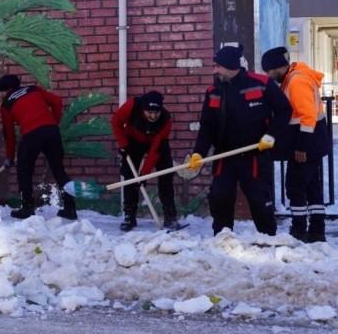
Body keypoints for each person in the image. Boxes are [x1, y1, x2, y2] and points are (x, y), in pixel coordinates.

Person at [185, 45, 290, 236]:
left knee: (259, 201)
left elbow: (284, 111)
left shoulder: (261, 84)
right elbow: (207, 127)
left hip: (255, 156)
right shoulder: (213, 91)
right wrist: (198, 153)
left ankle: (269, 239)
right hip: (225, 157)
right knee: (219, 198)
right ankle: (223, 237)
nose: (214, 70)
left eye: (218, 66)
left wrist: (272, 135)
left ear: (230, 66)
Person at [261, 46, 329, 243]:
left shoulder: (297, 81)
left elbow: (306, 116)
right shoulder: (295, 78)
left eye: (269, 71)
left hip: (306, 143)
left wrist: (301, 147)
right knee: (312, 187)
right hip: (313, 141)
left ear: (277, 67)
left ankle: (299, 229)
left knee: (296, 186)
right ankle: (317, 229)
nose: (268, 75)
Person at [0, 74, 76, 220]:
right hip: (51, 132)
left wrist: (9, 156)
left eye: (1, 92)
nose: (1, 95)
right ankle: (70, 209)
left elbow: (9, 134)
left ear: (6, 90)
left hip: (31, 134)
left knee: (24, 171)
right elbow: (57, 101)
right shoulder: (33, 89)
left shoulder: (6, 104)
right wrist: (53, 123)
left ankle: (27, 208)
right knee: (59, 170)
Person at [111, 91, 185, 231]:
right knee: (129, 176)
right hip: (133, 141)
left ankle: (170, 217)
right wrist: (123, 144)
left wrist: (144, 175)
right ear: (142, 109)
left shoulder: (166, 120)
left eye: (156, 112)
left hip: (156, 144)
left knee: (165, 176)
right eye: (149, 112)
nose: (153, 116)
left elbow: (154, 151)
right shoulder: (131, 107)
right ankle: (129, 216)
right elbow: (116, 122)